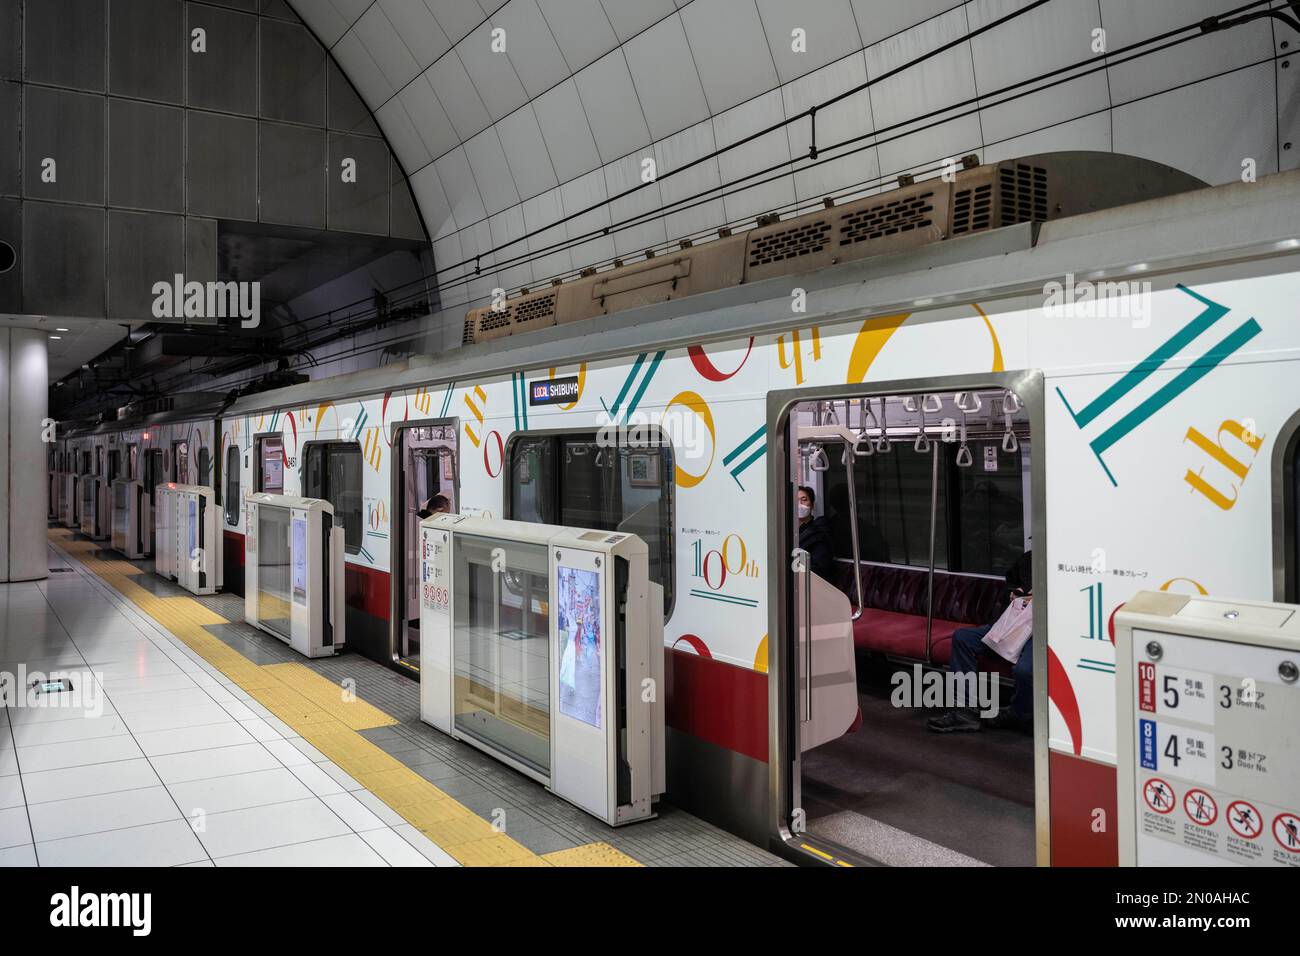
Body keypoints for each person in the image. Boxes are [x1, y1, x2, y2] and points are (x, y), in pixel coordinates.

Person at [928, 549, 1033, 733]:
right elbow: (1007, 588)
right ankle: (965, 711)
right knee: (964, 638)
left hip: (1041, 633)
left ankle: (1019, 712)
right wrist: (1014, 593)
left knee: (1024, 670)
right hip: (1013, 627)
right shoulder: (1027, 560)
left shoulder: (1063, 567)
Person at [797, 486, 837, 581]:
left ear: (812, 505)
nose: (799, 504)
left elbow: (820, 567)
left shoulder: (819, 533)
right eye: (795, 500)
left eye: (804, 500)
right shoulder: (787, 531)